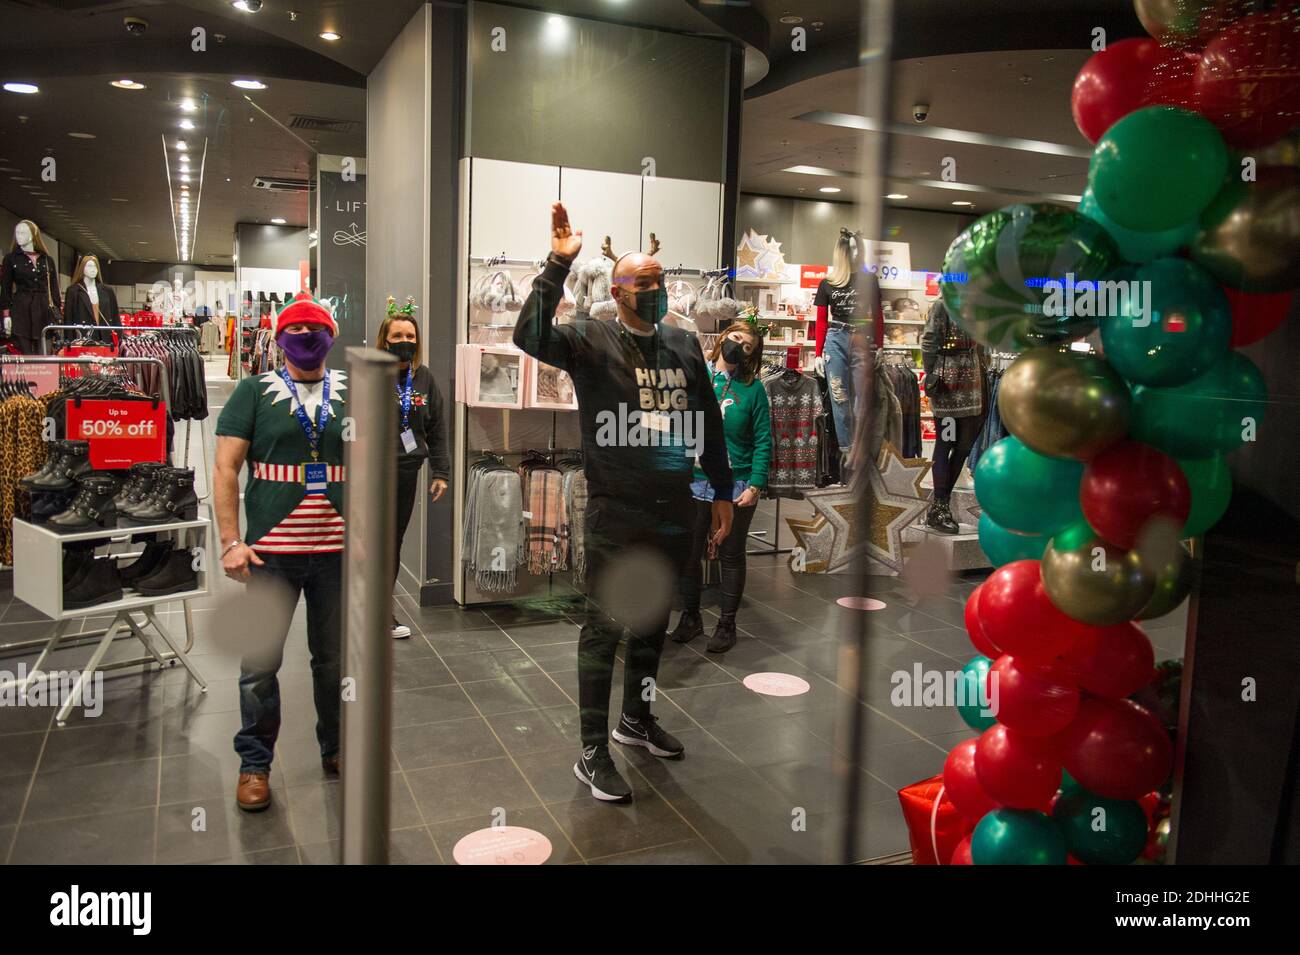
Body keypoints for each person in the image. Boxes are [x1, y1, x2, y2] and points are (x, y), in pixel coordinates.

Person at [514, 202, 734, 803]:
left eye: (663, 281)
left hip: (675, 505)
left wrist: (719, 487)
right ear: (617, 290)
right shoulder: (590, 336)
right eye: (645, 283)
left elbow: (707, 418)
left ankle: (635, 719)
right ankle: (591, 749)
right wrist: (557, 264)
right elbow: (528, 335)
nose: (658, 290)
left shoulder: (685, 345)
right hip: (616, 508)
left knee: (651, 621)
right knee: (604, 625)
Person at [214, 292, 347, 812]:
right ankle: (254, 763)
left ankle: (336, 749)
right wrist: (230, 542)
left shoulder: (351, 394)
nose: (307, 338)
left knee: (334, 661)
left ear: (331, 338)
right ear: (279, 338)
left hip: (335, 552)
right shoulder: (253, 391)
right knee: (260, 664)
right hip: (270, 554)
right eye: (297, 330)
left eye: (316, 330)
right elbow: (226, 469)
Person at [671, 320, 773, 653]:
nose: (737, 345)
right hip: (694, 481)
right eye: (735, 337)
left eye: (747, 345)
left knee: (731, 555)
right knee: (689, 554)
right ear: (723, 337)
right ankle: (690, 617)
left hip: (736, 483)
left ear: (752, 354)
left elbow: (763, 440)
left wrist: (756, 484)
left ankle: (726, 625)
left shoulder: (753, 389)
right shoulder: (698, 378)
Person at [374, 296, 450, 639]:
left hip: (407, 473)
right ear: (384, 340)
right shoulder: (371, 374)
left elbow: (437, 428)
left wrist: (441, 471)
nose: (405, 342)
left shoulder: (424, 379)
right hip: (371, 475)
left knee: (391, 544)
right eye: (397, 337)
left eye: (410, 337)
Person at [813, 228, 883, 477]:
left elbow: (878, 316)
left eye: (858, 248)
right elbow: (821, 321)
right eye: (850, 248)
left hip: (862, 337)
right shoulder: (828, 283)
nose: (854, 253)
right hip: (836, 338)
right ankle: (846, 449)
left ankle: (860, 449)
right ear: (841, 252)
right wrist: (818, 352)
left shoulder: (869, 280)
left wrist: (880, 345)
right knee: (839, 396)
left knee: (862, 398)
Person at [920, 297, 986, 533]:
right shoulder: (943, 304)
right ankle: (939, 506)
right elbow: (928, 341)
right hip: (948, 384)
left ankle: (940, 506)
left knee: (964, 446)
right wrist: (932, 373)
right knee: (946, 441)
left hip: (973, 382)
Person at [0, 220, 61, 354]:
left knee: (44, 354)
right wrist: (6, 316)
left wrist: (57, 317)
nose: (19, 236)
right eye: (17, 233)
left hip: (44, 312)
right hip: (21, 311)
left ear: (33, 235)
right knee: (25, 355)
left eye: (23, 233)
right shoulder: (11, 259)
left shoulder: (47, 260)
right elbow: (6, 289)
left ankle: (44, 375)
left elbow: (55, 290)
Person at [63, 255, 120, 346]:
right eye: (89, 266)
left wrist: (118, 339)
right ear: (82, 269)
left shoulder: (108, 291)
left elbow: (115, 316)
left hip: (106, 338)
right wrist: (69, 343)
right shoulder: (73, 291)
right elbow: (68, 320)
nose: (93, 269)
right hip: (82, 339)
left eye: (95, 266)